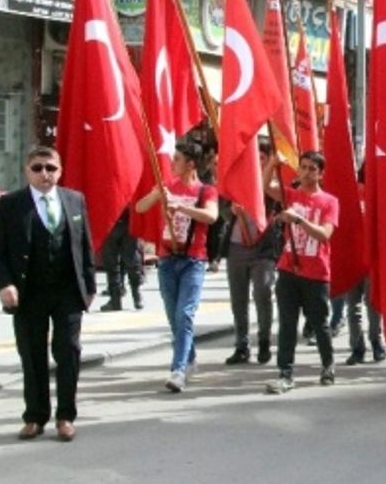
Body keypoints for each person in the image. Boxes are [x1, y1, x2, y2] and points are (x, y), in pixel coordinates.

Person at [0, 146, 95, 442]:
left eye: (50, 168)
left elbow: (85, 244)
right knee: (32, 353)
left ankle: (65, 416)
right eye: (37, 168)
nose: (44, 174)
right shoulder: (11, 204)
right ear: (27, 171)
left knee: (68, 352)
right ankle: (35, 416)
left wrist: (89, 285)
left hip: (67, 290)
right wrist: (4, 284)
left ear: (60, 170)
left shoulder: (74, 200)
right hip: (28, 291)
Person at [134, 141, 219, 393]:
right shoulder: (167, 185)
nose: (172, 164)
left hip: (193, 260)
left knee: (185, 314)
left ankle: (178, 370)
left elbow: (212, 217)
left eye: (178, 160)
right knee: (174, 316)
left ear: (191, 164)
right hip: (167, 259)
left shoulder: (206, 191)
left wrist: (181, 207)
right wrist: (157, 194)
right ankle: (189, 356)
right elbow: (140, 207)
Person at [265, 151, 339, 393]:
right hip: (288, 269)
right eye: (303, 168)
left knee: (320, 323)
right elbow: (264, 187)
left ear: (320, 173)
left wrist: (299, 220)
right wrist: (272, 164)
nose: (306, 173)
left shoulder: (329, 201)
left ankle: (328, 364)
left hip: (316, 272)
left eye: (312, 169)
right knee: (287, 323)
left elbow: (325, 234)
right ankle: (285, 372)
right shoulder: (291, 195)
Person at [222, 144, 279, 365]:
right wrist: (231, 211)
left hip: (263, 249)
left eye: (262, 158)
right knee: (238, 299)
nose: (258, 162)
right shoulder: (236, 184)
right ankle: (241, 345)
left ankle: (264, 340)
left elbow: (273, 199)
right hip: (236, 248)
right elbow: (223, 210)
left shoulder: (273, 185)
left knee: (263, 293)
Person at [98, 209, 144, 311]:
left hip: (112, 217)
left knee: (113, 262)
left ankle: (116, 299)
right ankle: (135, 296)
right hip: (126, 216)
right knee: (130, 258)